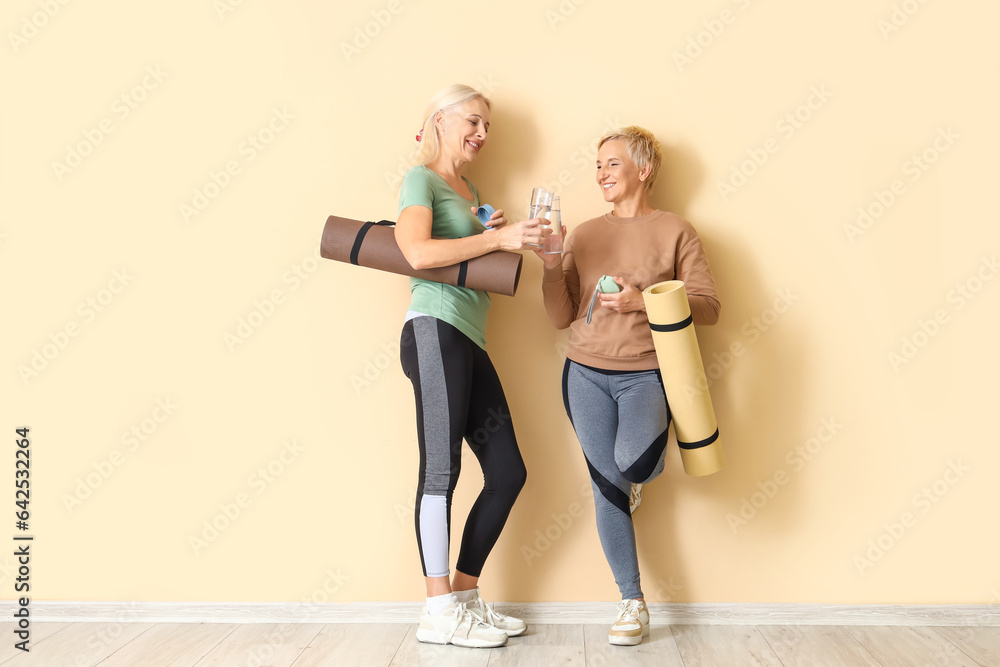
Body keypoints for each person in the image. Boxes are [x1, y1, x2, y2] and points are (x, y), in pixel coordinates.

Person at [535, 126, 720, 646]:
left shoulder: (677, 231)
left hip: (648, 374)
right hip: (584, 374)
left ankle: (630, 479)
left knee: (632, 466)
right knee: (607, 491)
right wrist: (551, 264)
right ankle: (632, 601)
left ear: (643, 170)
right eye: (597, 165)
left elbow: (708, 307)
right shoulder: (584, 234)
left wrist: (644, 302)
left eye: (612, 164)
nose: (600, 174)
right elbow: (559, 316)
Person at [394, 84, 550, 649]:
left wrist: (491, 236)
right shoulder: (423, 180)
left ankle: (461, 597)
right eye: (474, 122)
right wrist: (499, 237)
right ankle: (437, 612)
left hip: (468, 338)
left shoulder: (468, 188)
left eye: (488, 128)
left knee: (508, 472)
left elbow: (464, 253)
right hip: (433, 329)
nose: (482, 135)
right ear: (440, 120)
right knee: (442, 470)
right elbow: (416, 253)